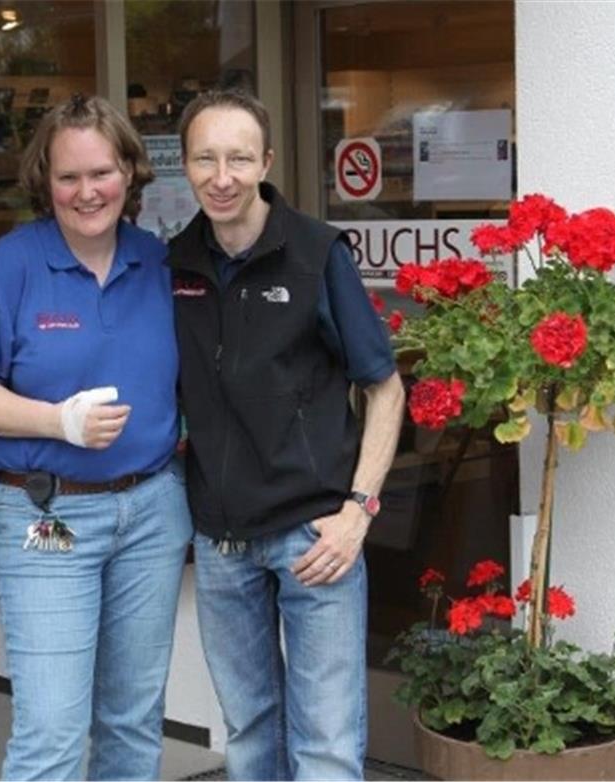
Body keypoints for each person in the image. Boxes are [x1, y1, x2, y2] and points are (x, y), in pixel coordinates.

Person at [0, 94, 191, 781]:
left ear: (131, 174)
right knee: (52, 729)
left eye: (103, 173)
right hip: (47, 513)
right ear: (44, 184)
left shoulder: (158, 263)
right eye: (69, 177)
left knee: (134, 721)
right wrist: (57, 421)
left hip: (151, 511)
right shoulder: (8, 267)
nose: (88, 192)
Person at [168, 89, 405, 780]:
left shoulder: (316, 253)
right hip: (222, 538)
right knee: (248, 735)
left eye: (238, 158)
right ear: (185, 165)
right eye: (205, 159)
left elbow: (384, 387)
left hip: (315, 534)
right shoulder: (177, 262)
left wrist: (357, 513)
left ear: (266, 161)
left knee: (326, 740)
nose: (222, 176)